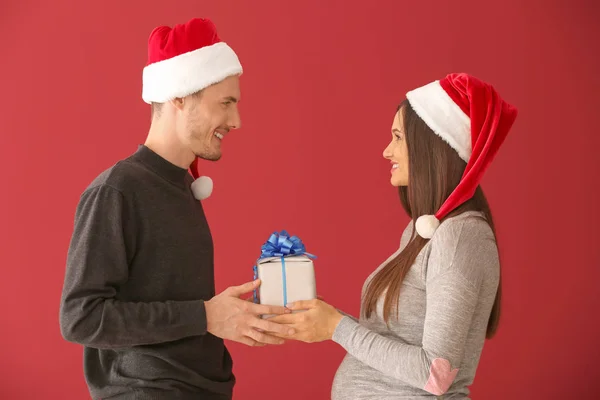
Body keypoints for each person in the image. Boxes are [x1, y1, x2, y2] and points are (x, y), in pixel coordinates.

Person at [59, 17, 293, 400]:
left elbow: (186, 308)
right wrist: (205, 315)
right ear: (180, 97)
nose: (236, 121)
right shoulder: (116, 191)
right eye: (226, 103)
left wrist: (229, 318)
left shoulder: (182, 186)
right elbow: (80, 318)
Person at [269, 73, 518, 398]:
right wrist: (325, 320)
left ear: (433, 145)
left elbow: (436, 373)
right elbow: (392, 341)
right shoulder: (423, 232)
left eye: (398, 137)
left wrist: (336, 327)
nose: (387, 151)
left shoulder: (460, 237)